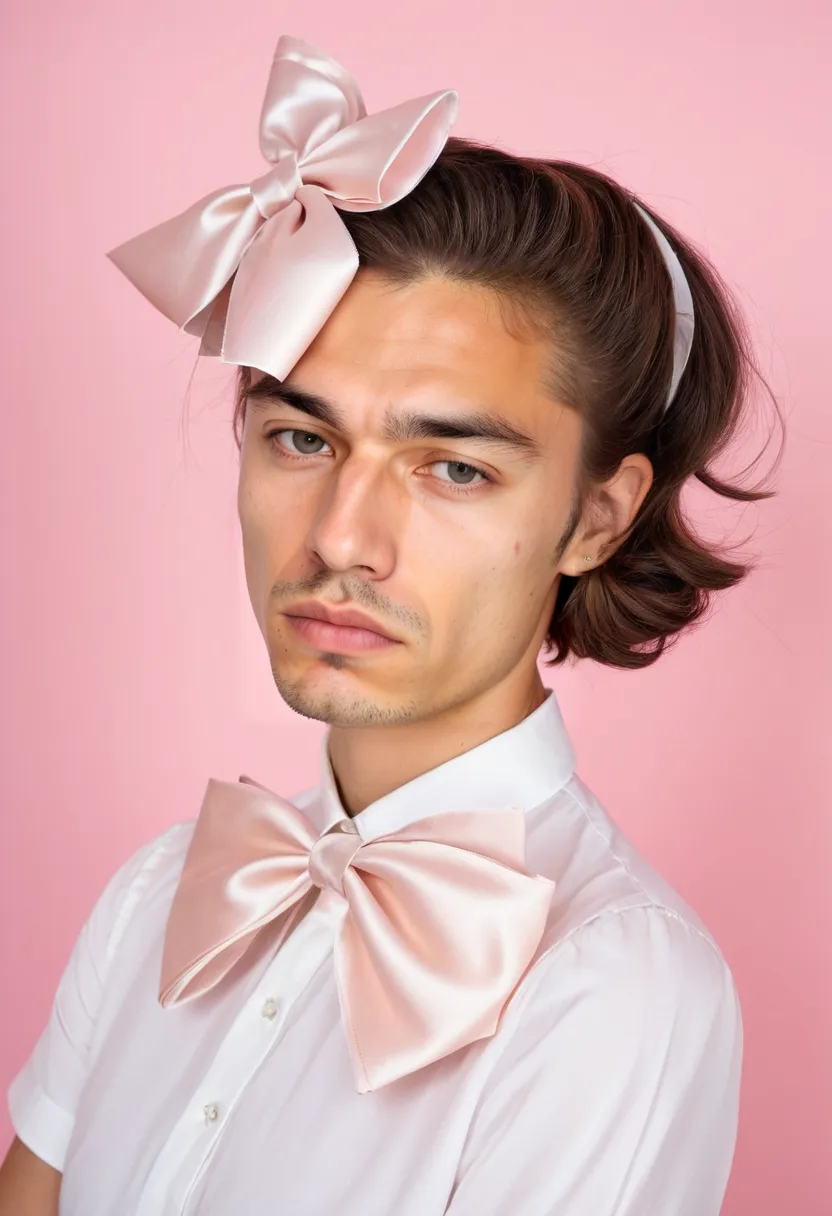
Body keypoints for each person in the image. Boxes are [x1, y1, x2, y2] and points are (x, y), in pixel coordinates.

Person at [0, 32, 779, 1216]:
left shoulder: (615, 986)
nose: (340, 539)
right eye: (301, 439)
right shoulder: (159, 895)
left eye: (453, 467)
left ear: (596, 517)